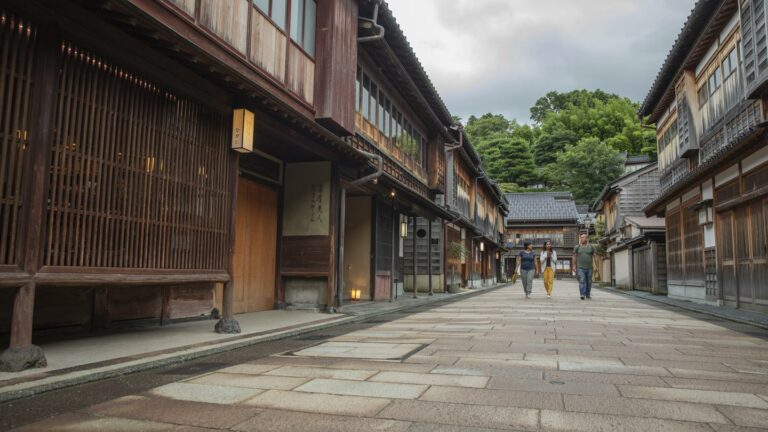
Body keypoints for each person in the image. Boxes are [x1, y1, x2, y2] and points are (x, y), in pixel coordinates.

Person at [572, 233, 598, 300]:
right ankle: (582, 294)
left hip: (589, 268)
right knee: (582, 281)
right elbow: (574, 257)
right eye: (581, 238)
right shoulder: (577, 247)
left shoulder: (591, 247)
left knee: (589, 282)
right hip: (580, 268)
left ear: (587, 239)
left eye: (583, 237)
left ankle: (588, 294)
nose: (582, 239)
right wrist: (574, 266)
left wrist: (597, 266)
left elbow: (595, 256)